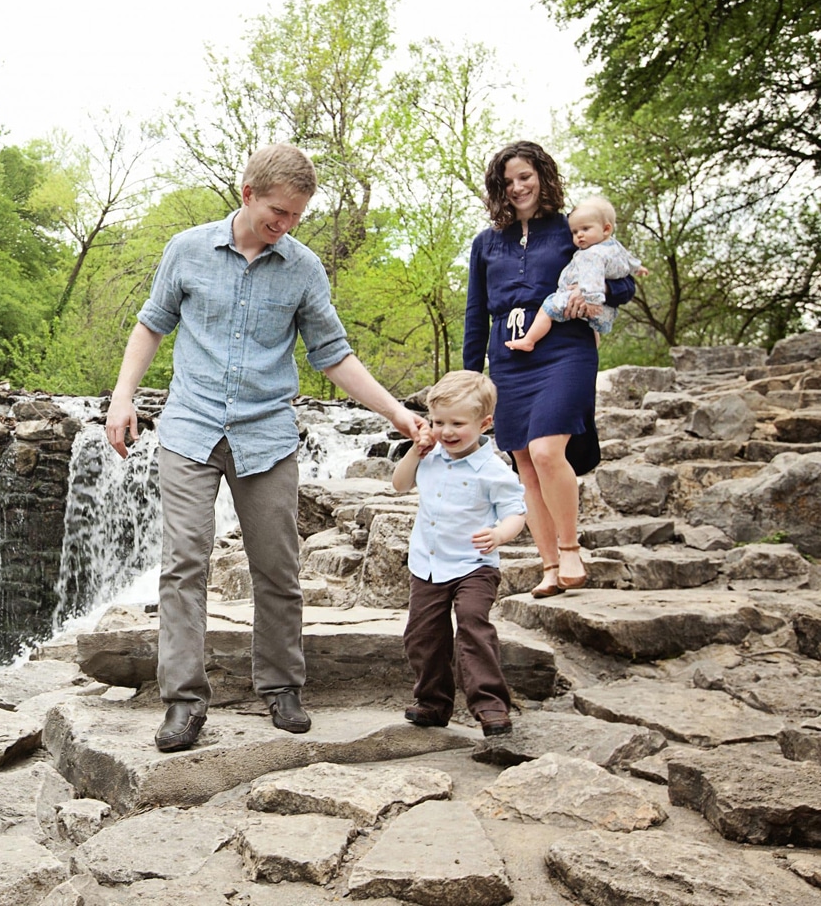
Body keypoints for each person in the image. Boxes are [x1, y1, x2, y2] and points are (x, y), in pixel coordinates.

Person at [105, 143, 427, 753]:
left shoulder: (303, 268)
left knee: (277, 569)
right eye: (277, 213)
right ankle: (184, 702)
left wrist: (396, 413)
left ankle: (281, 686)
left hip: (266, 435)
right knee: (184, 565)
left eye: (297, 218)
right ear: (248, 194)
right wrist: (123, 399)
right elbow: (151, 325)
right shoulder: (187, 249)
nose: (285, 226)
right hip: (190, 427)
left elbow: (333, 355)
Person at [463, 142, 637, 600]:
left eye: (526, 176)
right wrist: (469, 378)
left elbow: (624, 281)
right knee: (525, 463)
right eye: (508, 180)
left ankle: (571, 548)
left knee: (545, 450)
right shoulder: (485, 243)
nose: (518, 186)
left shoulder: (569, 230)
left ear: (542, 176)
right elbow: (475, 314)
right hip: (508, 359)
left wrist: (595, 297)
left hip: (565, 349)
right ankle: (550, 567)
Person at [391, 370, 526, 736]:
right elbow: (399, 485)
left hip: (474, 565)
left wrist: (499, 534)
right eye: (438, 422)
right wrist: (415, 453)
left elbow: (516, 511)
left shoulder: (493, 469)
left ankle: (490, 705)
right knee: (423, 635)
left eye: (457, 423)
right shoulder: (430, 456)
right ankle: (433, 704)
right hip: (429, 564)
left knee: (472, 624)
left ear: (484, 423)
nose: (446, 432)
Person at [504, 195, 648, 353]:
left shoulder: (591, 253)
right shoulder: (613, 246)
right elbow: (627, 259)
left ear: (606, 229)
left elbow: (619, 285)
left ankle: (529, 339)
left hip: (578, 301)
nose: (579, 235)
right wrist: (638, 267)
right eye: (575, 231)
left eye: (585, 229)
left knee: (547, 310)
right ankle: (593, 347)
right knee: (590, 327)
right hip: (600, 311)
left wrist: (594, 295)